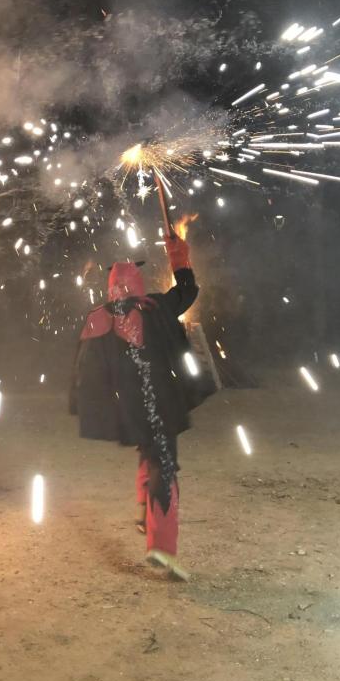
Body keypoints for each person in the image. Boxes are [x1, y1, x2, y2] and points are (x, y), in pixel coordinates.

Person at [69, 233, 215, 580]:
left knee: (149, 455)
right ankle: (162, 547)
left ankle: (143, 515)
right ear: (137, 283)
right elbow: (188, 292)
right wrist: (179, 259)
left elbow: (85, 369)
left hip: (131, 407)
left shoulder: (97, 318)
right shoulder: (157, 307)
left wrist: (99, 404)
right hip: (161, 405)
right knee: (163, 468)